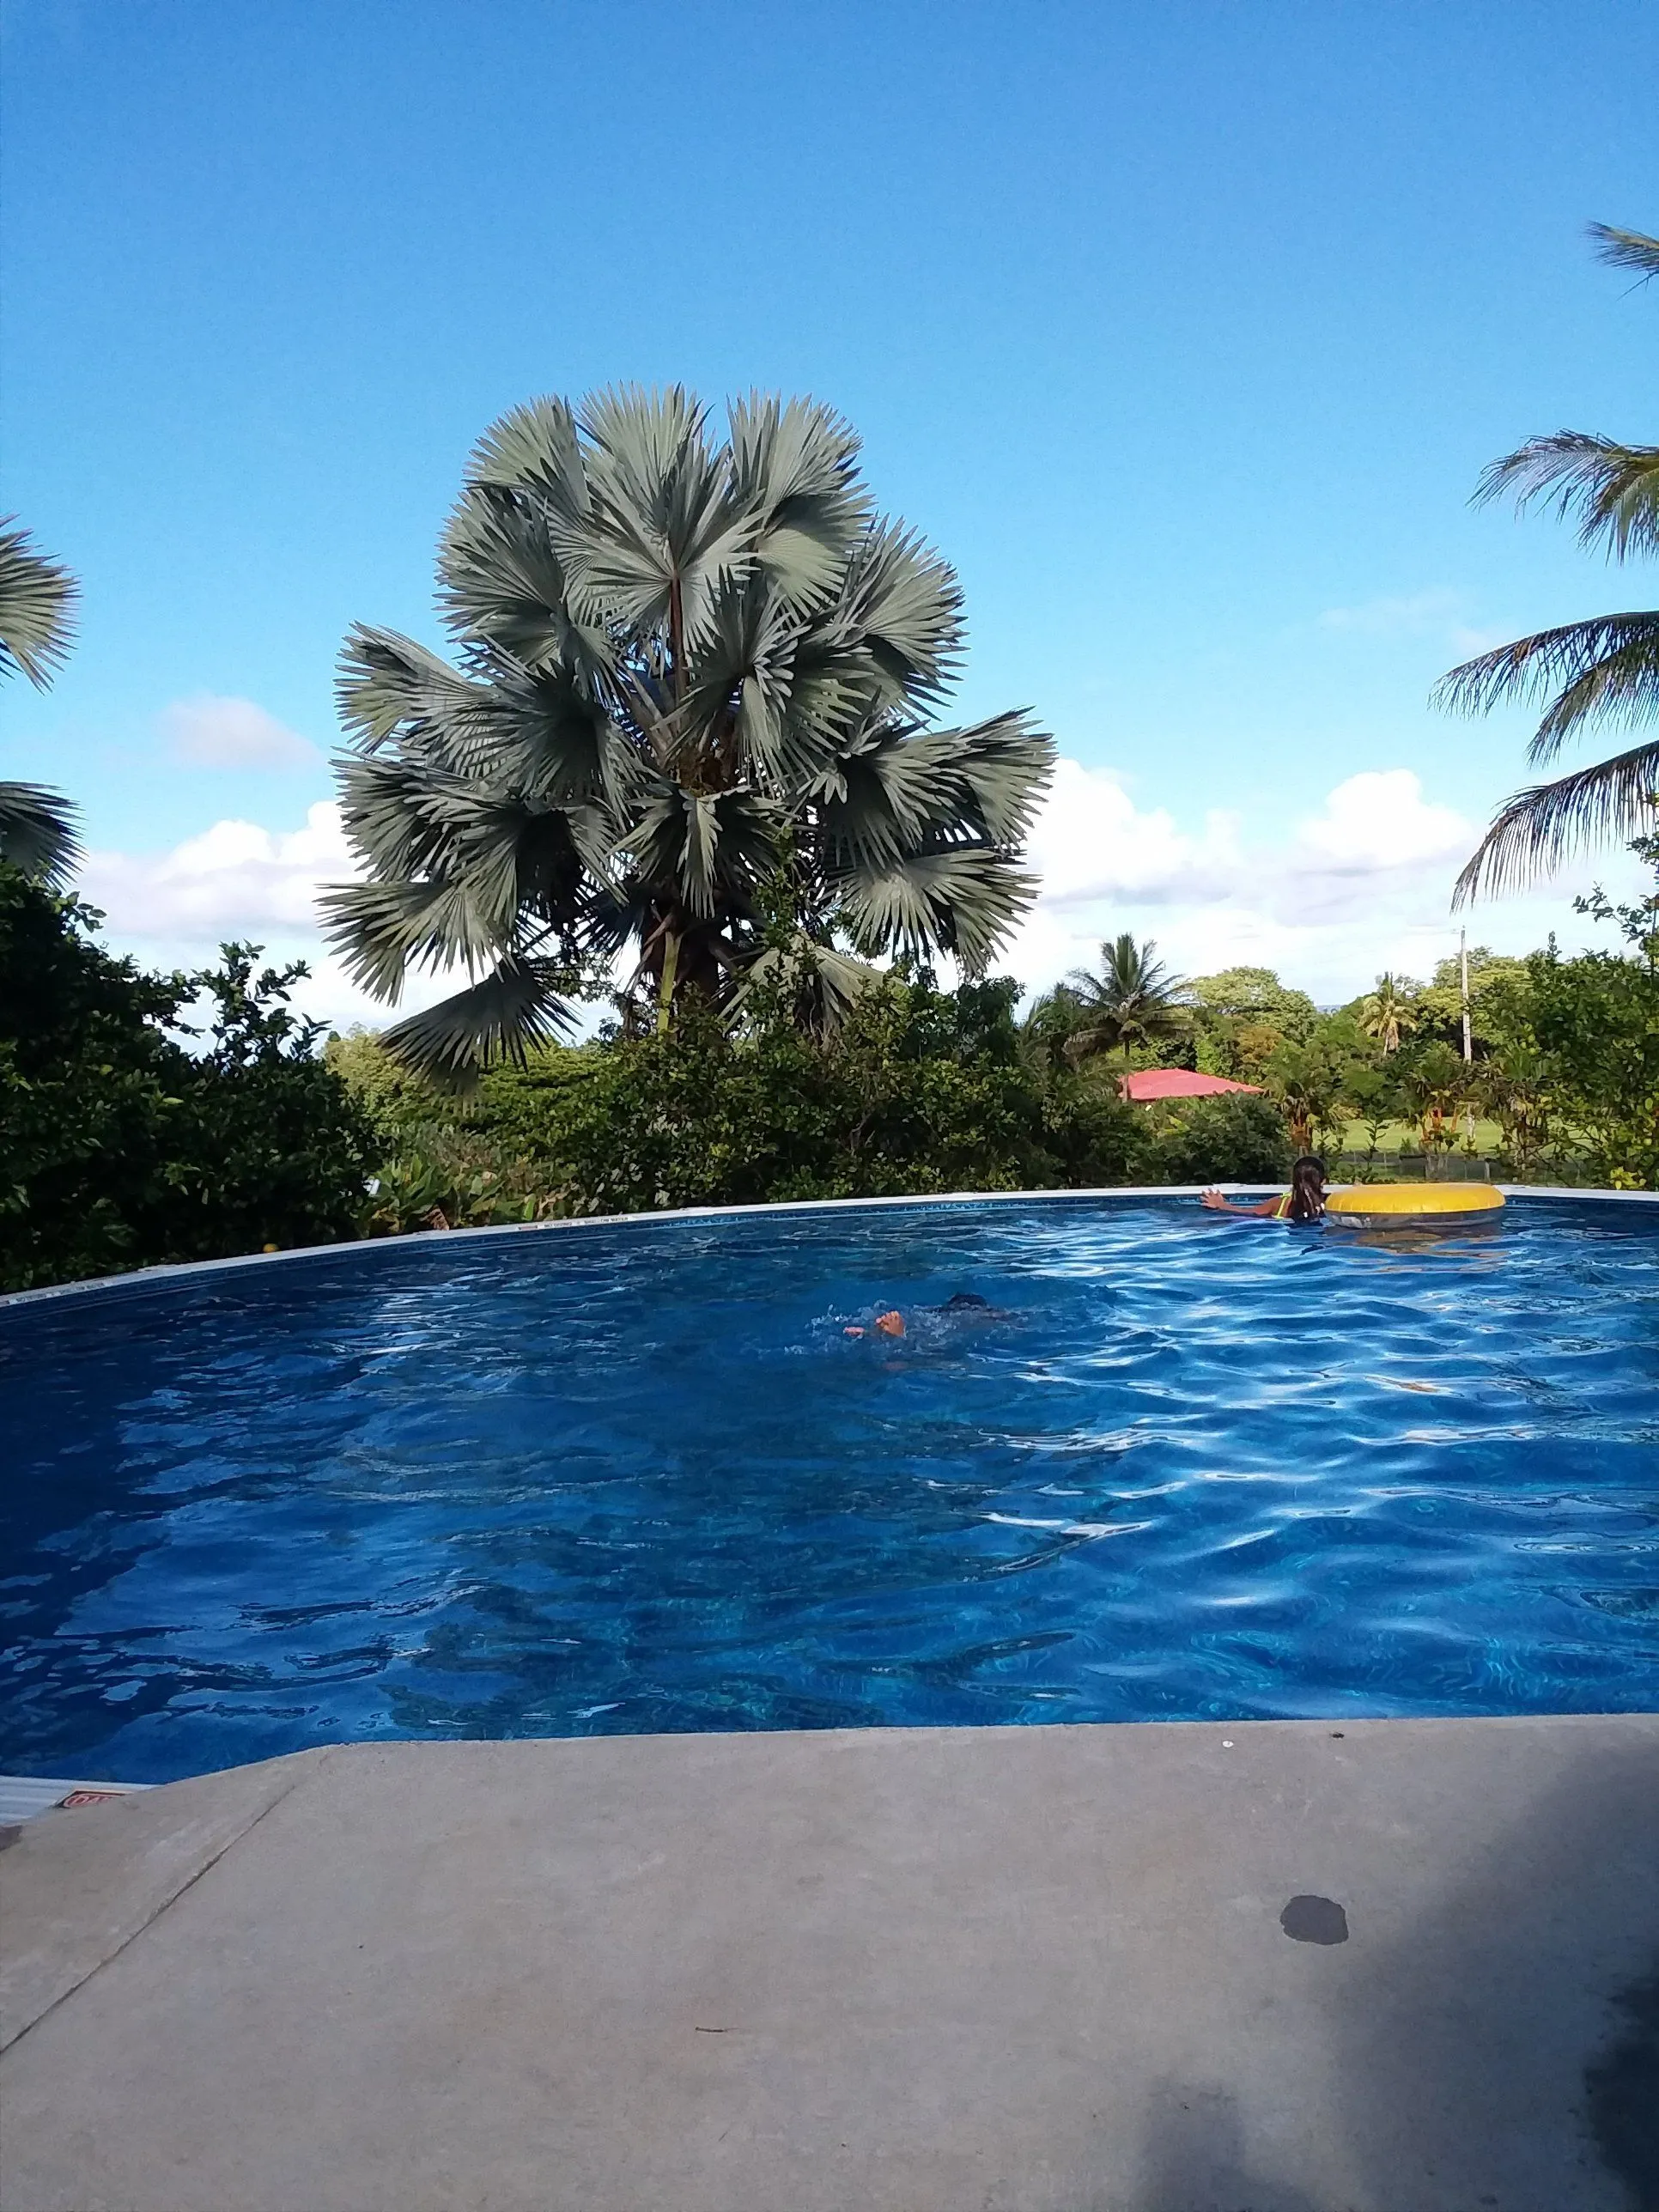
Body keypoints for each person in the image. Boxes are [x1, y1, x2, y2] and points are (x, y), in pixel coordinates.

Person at [1201, 1155, 1328, 1222]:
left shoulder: (1279, 1204)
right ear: (1323, 1181)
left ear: (1293, 1180)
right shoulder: (1330, 1203)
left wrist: (1222, 1205)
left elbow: (1250, 1213)